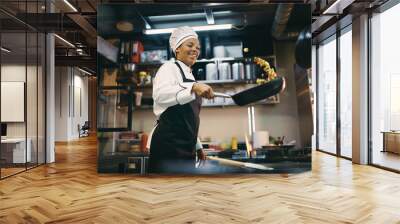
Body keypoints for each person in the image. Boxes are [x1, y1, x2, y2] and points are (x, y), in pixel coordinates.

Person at [147, 26, 214, 173]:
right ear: (177, 49)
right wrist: (193, 88)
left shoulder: (191, 77)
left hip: (186, 148)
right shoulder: (169, 68)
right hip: (168, 146)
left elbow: (187, 121)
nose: (195, 50)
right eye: (190, 45)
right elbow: (160, 95)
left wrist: (198, 147)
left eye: (198, 47)